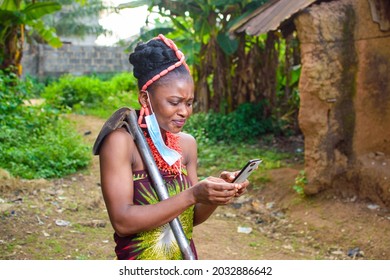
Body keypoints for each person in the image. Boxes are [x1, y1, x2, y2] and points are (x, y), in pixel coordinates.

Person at [95, 34, 249, 260]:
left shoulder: (187, 144)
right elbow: (123, 222)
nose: (185, 112)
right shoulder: (121, 142)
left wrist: (215, 193)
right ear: (145, 100)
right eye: (174, 102)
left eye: (189, 103)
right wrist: (192, 194)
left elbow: (191, 217)